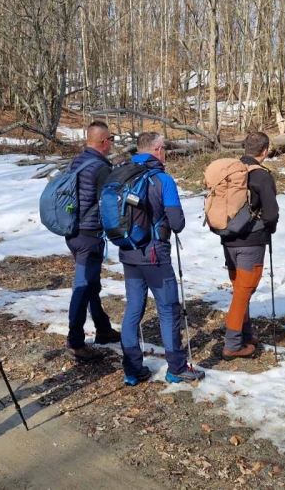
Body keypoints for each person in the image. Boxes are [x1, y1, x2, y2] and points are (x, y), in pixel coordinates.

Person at [118, 133, 204, 384]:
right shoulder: (162, 180)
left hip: (127, 251)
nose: (164, 152)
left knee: (133, 309)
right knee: (168, 310)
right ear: (156, 150)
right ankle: (176, 367)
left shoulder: (122, 175)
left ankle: (132, 369)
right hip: (155, 254)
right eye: (163, 148)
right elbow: (177, 222)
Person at [63, 121, 122, 362]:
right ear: (104, 142)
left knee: (91, 284)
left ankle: (103, 328)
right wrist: (119, 231)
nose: (112, 144)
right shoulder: (100, 169)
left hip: (73, 232)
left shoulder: (76, 162)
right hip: (89, 235)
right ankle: (75, 341)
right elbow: (108, 205)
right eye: (111, 139)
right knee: (83, 287)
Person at [221, 132, 280, 359]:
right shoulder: (262, 176)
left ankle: (245, 334)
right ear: (264, 151)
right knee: (243, 293)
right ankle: (233, 345)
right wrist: (269, 228)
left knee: (240, 290)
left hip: (228, 239)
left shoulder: (231, 171)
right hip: (251, 242)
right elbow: (271, 213)